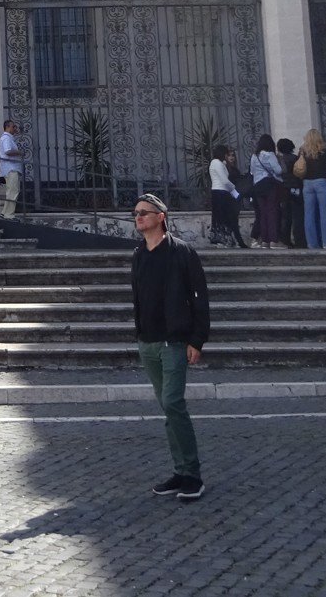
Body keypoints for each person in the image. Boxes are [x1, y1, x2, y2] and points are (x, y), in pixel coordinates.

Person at [129, 192, 209, 502]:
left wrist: (197, 339)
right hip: (147, 342)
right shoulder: (139, 254)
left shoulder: (182, 252)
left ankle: (193, 475)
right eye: (136, 213)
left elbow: (199, 297)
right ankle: (181, 471)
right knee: (168, 407)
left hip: (173, 341)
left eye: (144, 212)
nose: (138, 217)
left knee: (173, 403)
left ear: (161, 217)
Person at [295, 129, 326, 250]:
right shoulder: (323, 151)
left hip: (307, 183)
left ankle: (312, 243)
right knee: (325, 213)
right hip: (322, 182)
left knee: (309, 214)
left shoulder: (302, 151)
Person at [249, 134, 285, 249]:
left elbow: (252, 171)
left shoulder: (254, 156)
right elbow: (278, 170)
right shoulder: (270, 155)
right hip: (269, 185)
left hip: (257, 186)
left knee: (263, 213)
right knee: (272, 212)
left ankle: (265, 240)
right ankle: (274, 240)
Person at [207, 144, 247, 248]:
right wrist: (234, 189)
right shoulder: (217, 163)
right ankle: (222, 239)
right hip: (221, 192)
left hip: (220, 192)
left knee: (221, 217)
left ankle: (224, 239)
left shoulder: (218, 163)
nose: (227, 156)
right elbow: (225, 181)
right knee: (222, 217)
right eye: (226, 154)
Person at [276, 137, 305, 248]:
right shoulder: (295, 158)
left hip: (284, 190)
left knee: (285, 217)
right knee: (298, 216)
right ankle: (300, 240)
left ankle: (285, 240)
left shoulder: (279, 160)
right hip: (296, 189)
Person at [0, 120, 24, 218]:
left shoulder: (8, 138)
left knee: (11, 191)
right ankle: (9, 214)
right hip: (11, 168)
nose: (15, 129)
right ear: (7, 127)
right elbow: (8, 151)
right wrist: (19, 152)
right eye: (13, 127)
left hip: (10, 168)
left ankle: (5, 212)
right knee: (13, 192)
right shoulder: (6, 138)